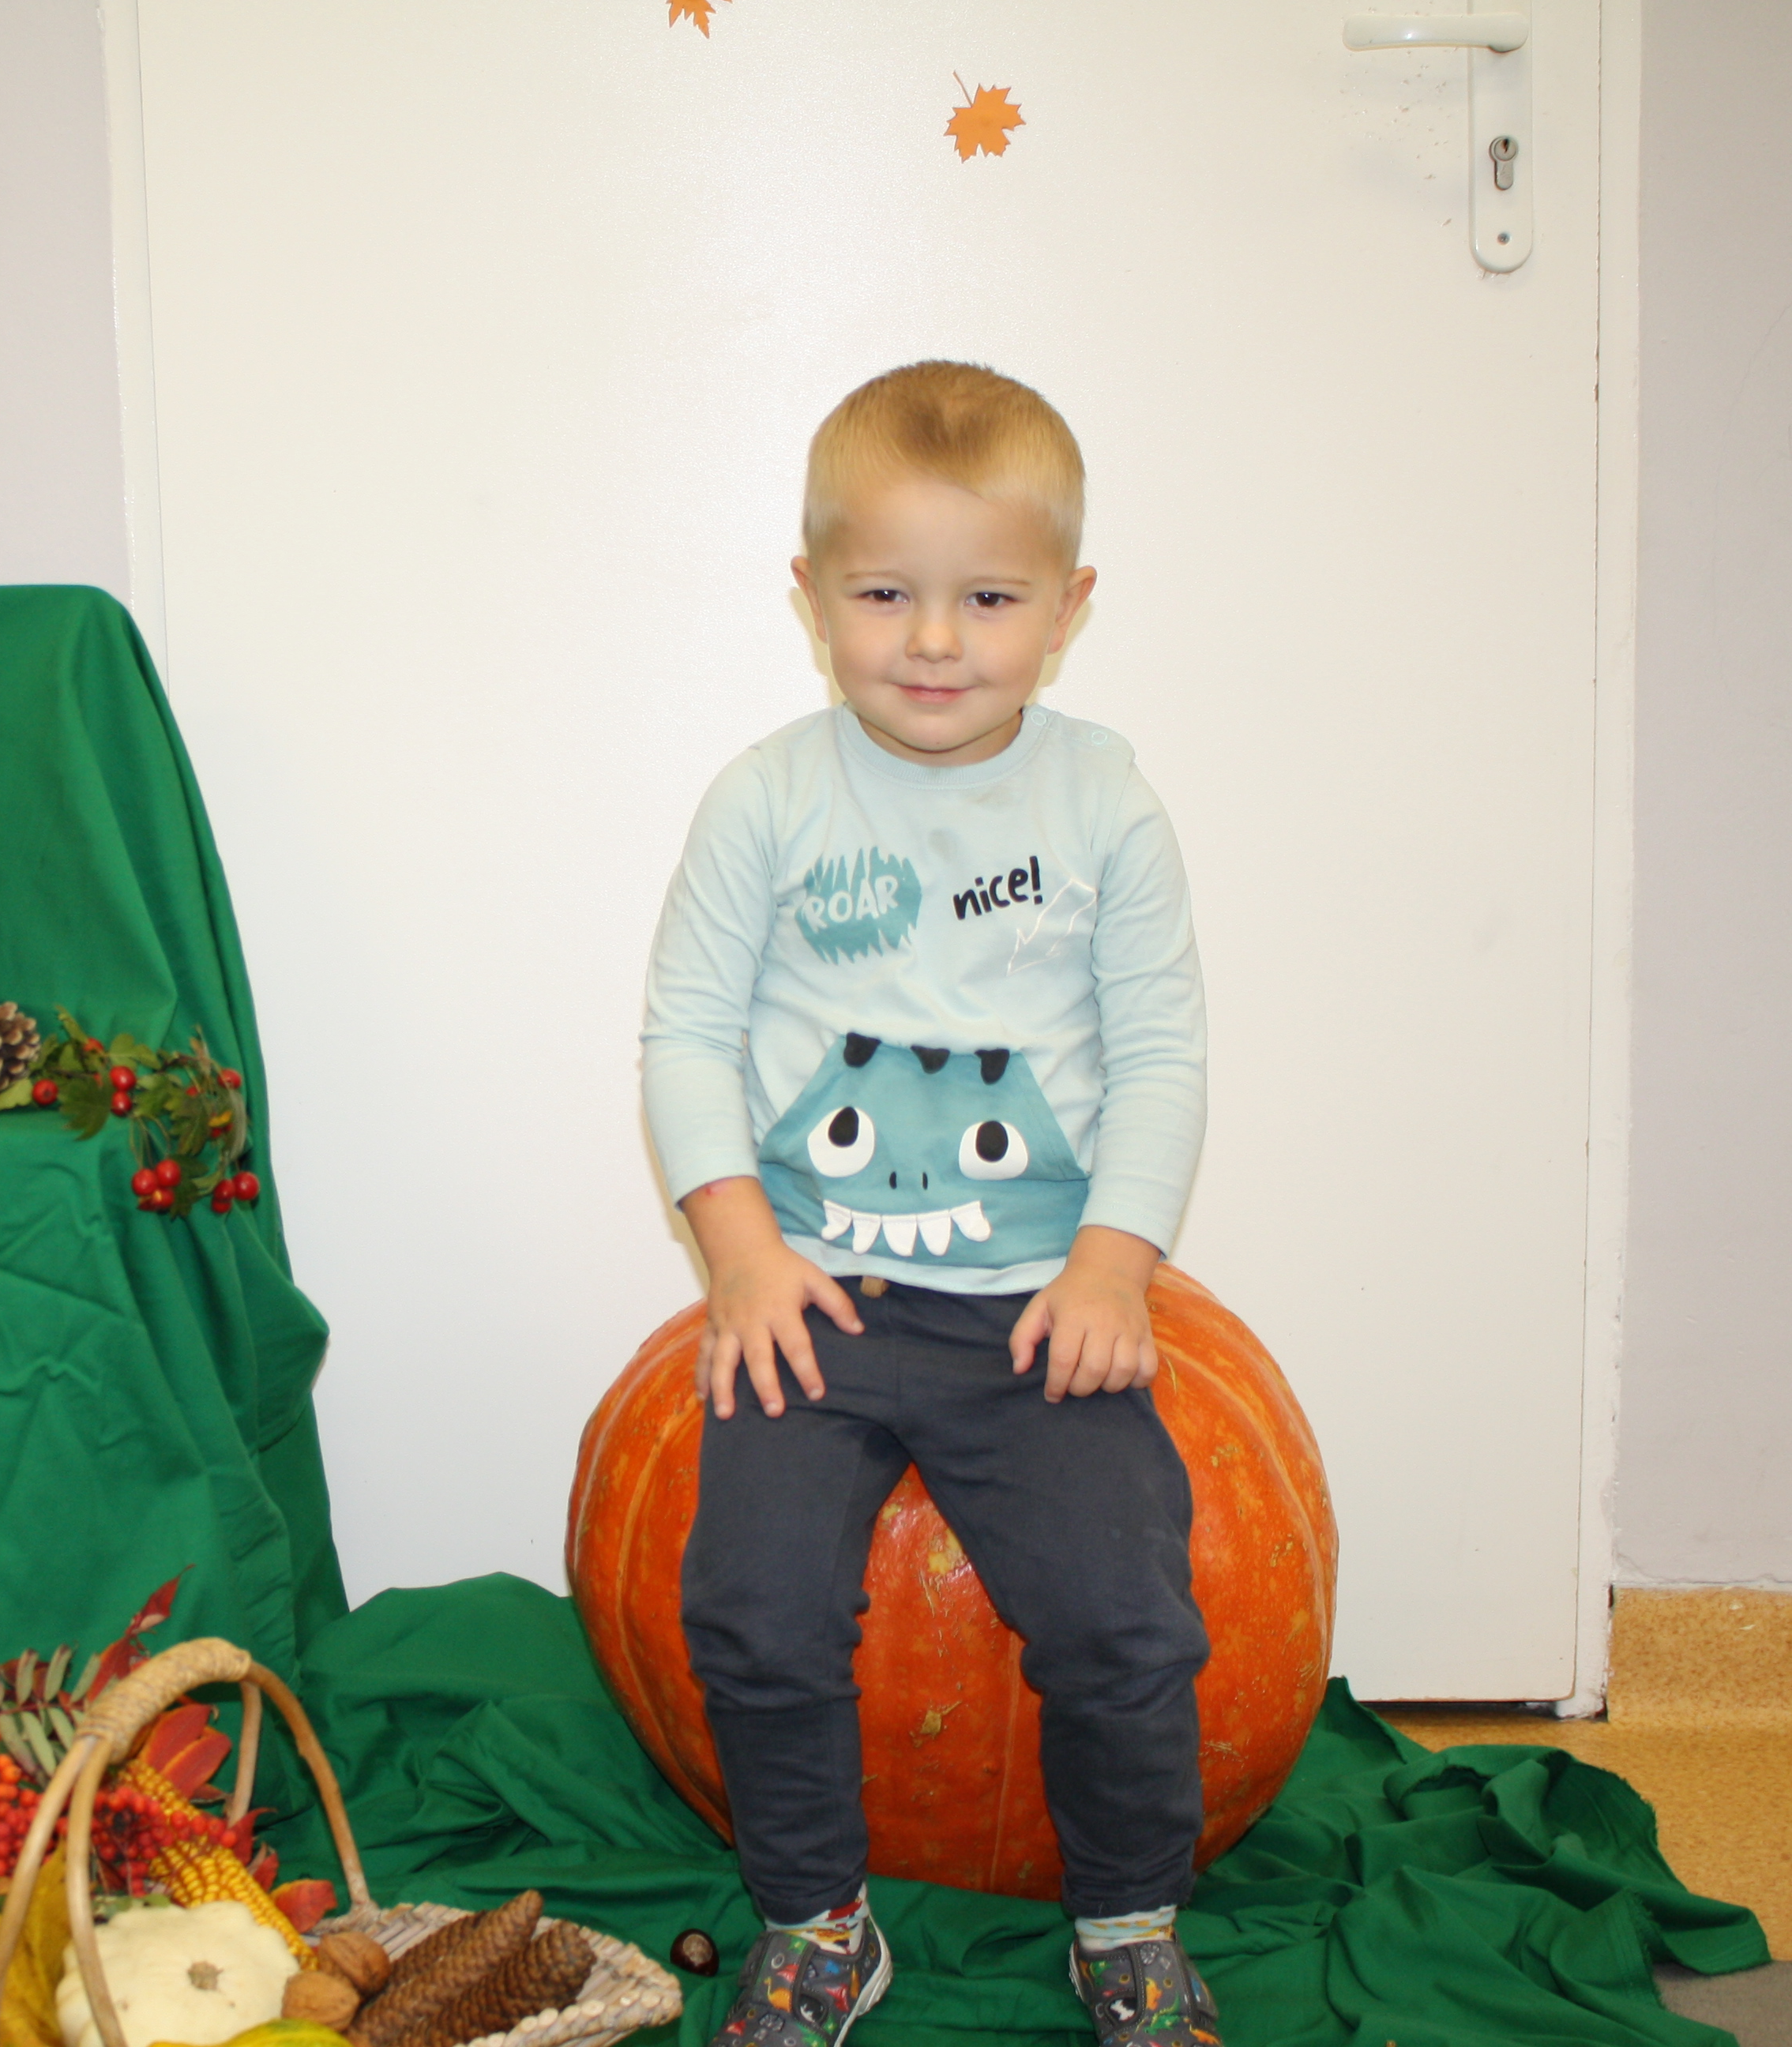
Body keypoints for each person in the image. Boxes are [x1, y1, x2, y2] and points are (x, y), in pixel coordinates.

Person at [640, 362, 1220, 2047]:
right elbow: (683, 1035)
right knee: (750, 1614)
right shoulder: (768, 797)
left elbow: (1162, 1053)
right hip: (811, 1301)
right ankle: (818, 1924)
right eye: (886, 594)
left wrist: (1114, 1263)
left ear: (1070, 608)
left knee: (1128, 1622)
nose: (937, 642)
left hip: (1042, 1311)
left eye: (991, 598)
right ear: (811, 595)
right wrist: (739, 1252)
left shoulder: (1104, 803)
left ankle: (1129, 1922)